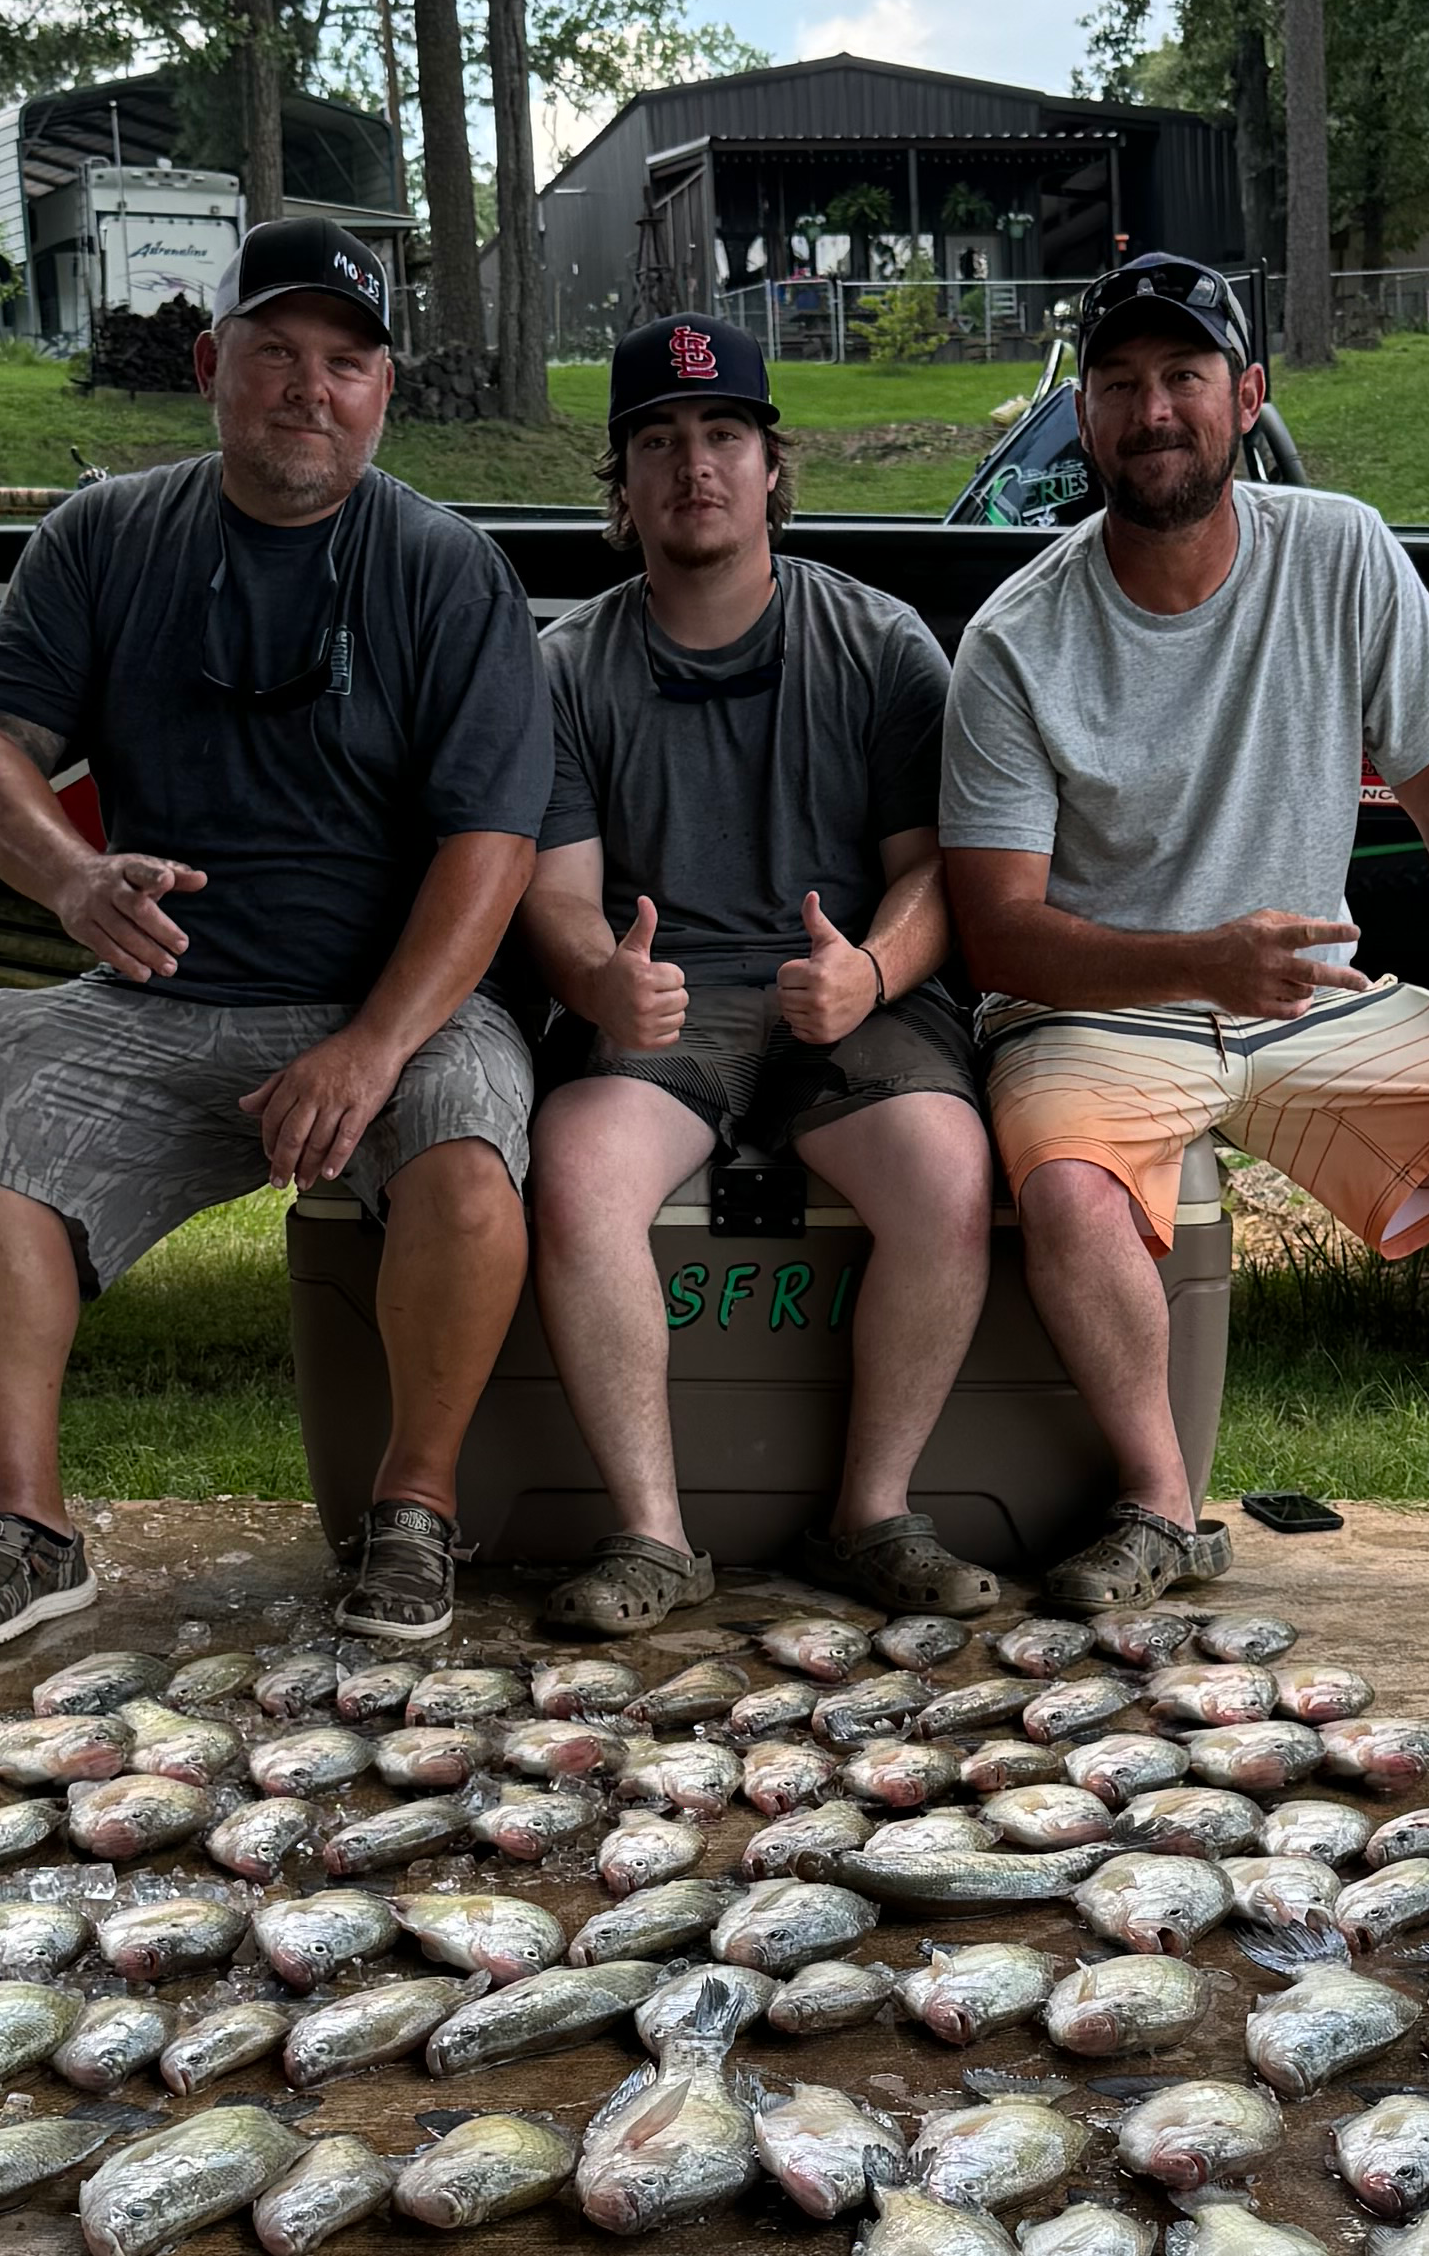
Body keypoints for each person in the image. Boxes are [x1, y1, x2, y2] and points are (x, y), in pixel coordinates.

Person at [939, 253, 1429, 1631]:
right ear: (1083, 420)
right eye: (1119, 384)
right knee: (1070, 1190)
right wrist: (1197, 963)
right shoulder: (1014, 638)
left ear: (1247, 397)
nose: (1152, 411)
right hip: (1096, 1014)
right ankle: (1163, 1509)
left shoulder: (1342, 549)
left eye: (1183, 377)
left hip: (1308, 1001)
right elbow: (998, 941)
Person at [0, 217, 549, 1652]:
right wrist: (73, 878)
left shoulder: (446, 568)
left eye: (347, 363)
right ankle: (26, 1524)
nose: (311, 389)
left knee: (467, 1138)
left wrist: (373, 1045)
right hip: (162, 1000)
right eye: (276, 353)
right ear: (211, 366)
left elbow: (492, 847)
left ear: (385, 391)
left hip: (395, 1006)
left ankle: (414, 1509)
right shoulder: (102, 537)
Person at [517, 313, 1003, 1638]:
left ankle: (872, 1515)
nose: (695, 466)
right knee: (577, 1174)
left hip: (844, 998)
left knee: (947, 1175)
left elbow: (936, 871)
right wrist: (599, 981)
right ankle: (653, 1537)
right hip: (663, 1006)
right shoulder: (565, 669)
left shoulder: (879, 643)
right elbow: (555, 894)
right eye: (659, 442)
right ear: (621, 484)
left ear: (773, 464)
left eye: (725, 433)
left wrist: (875, 969)